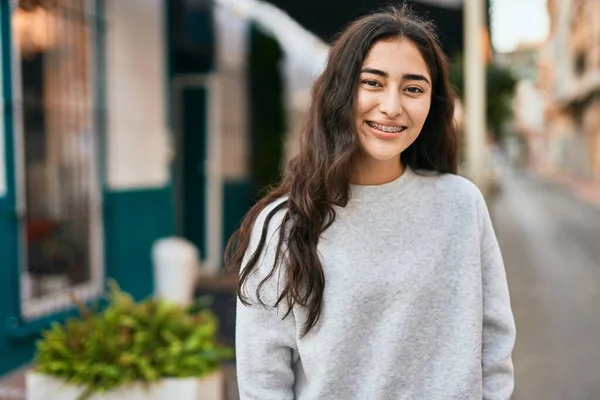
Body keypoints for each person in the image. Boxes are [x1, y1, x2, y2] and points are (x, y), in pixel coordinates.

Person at [226, 5, 516, 400]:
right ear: (340, 91)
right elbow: (264, 380)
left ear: (433, 103)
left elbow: (494, 344)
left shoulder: (461, 204)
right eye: (373, 83)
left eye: (413, 88)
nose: (392, 106)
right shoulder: (285, 225)